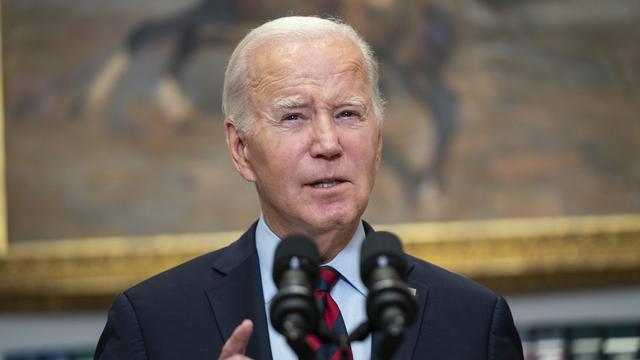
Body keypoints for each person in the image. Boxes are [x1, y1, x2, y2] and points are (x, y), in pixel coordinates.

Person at [95, 16, 523, 360]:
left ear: (377, 142)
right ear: (241, 148)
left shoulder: (473, 321)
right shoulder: (152, 325)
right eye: (294, 117)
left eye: (348, 114)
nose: (328, 144)